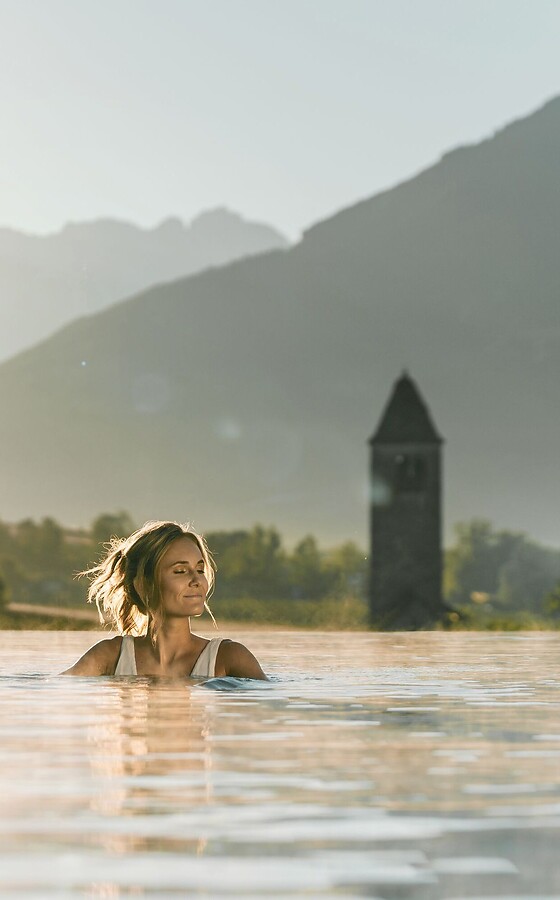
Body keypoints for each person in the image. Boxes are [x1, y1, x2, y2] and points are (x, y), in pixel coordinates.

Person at [62, 520, 267, 679]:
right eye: (180, 571)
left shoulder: (229, 657)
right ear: (143, 584)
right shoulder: (111, 655)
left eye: (199, 570)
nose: (197, 580)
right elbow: (55, 690)